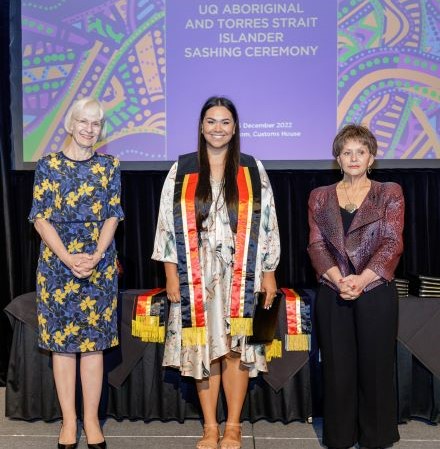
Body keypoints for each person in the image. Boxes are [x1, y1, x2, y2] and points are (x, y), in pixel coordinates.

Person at [152, 96, 280, 449]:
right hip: (196, 276)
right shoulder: (183, 170)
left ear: (235, 127)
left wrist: (269, 272)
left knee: (237, 348)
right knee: (201, 346)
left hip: (243, 275)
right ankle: (210, 426)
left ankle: (234, 425)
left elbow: (268, 223)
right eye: (211, 121)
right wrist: (170, 273)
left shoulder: (253, 170)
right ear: (201, 126)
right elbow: (166, 224)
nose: (218, 128)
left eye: (225, 122)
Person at [29, 97, 124, 449]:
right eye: (83, 122)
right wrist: (69, 258)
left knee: (94, 347)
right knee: (63, 348)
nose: (89, 129)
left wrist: (97, 254)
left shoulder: (110, 166)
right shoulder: (48, 165)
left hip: (98, 266)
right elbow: (40, 218)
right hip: (57, 266)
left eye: (96, 124)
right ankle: (69, 422)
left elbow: (113, 214)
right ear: (70, 124)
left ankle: (91, 421)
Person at [307, 124, 405, 449]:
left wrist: (361, 281)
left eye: (360, 151)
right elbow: (317, 246)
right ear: (337, 157)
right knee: (337, 369)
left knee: (376, 369)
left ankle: (375, 438)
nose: (353, 157)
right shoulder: (319, 197)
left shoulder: (389, 192)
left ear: (371, 157)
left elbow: (392, 243)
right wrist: (339, 280)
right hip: (333, 292)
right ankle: (340, 437)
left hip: (375, 291)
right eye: (346, 151)